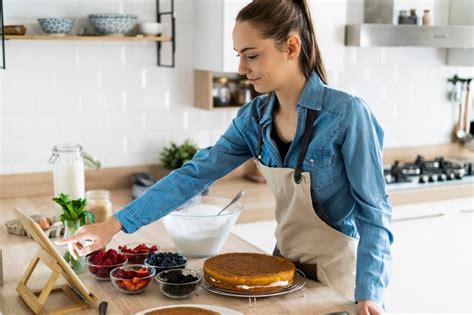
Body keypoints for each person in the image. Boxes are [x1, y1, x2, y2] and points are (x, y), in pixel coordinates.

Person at [57, 1, 393, 314]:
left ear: (291, 48)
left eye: (251, 55)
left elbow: (374, 214)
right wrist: (111, 226)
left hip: (342, 284)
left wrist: (369, 295)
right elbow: (193, 176)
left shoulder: (347, 114)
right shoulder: (254, 118)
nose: (241, 68)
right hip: (282, 276)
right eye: (239, 55)